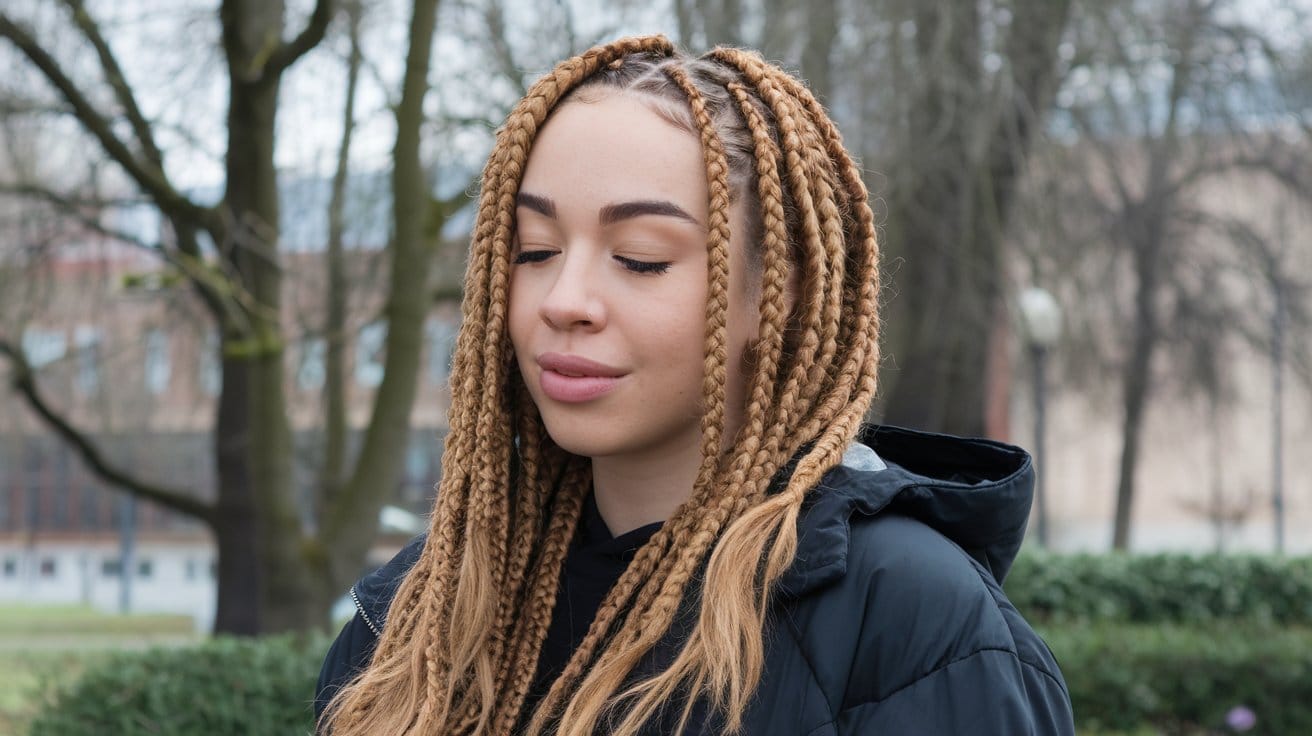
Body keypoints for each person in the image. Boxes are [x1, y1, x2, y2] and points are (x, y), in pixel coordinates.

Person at [316, 35, 1075, 736]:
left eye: (641, 258)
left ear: (777, 296)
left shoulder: (917, 627)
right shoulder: (414, 620)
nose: (563, 300)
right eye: (534, 249)